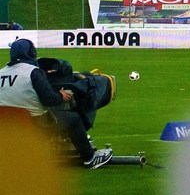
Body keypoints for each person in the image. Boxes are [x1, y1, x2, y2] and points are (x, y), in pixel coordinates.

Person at [0, 39, 111, 168]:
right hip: (34, 124)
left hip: (7, 125)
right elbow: (49, 99)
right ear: (31, 53)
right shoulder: (33, 72)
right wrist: (61, 95)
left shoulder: (1, 72)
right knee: (73, 119)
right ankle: (90, 158)